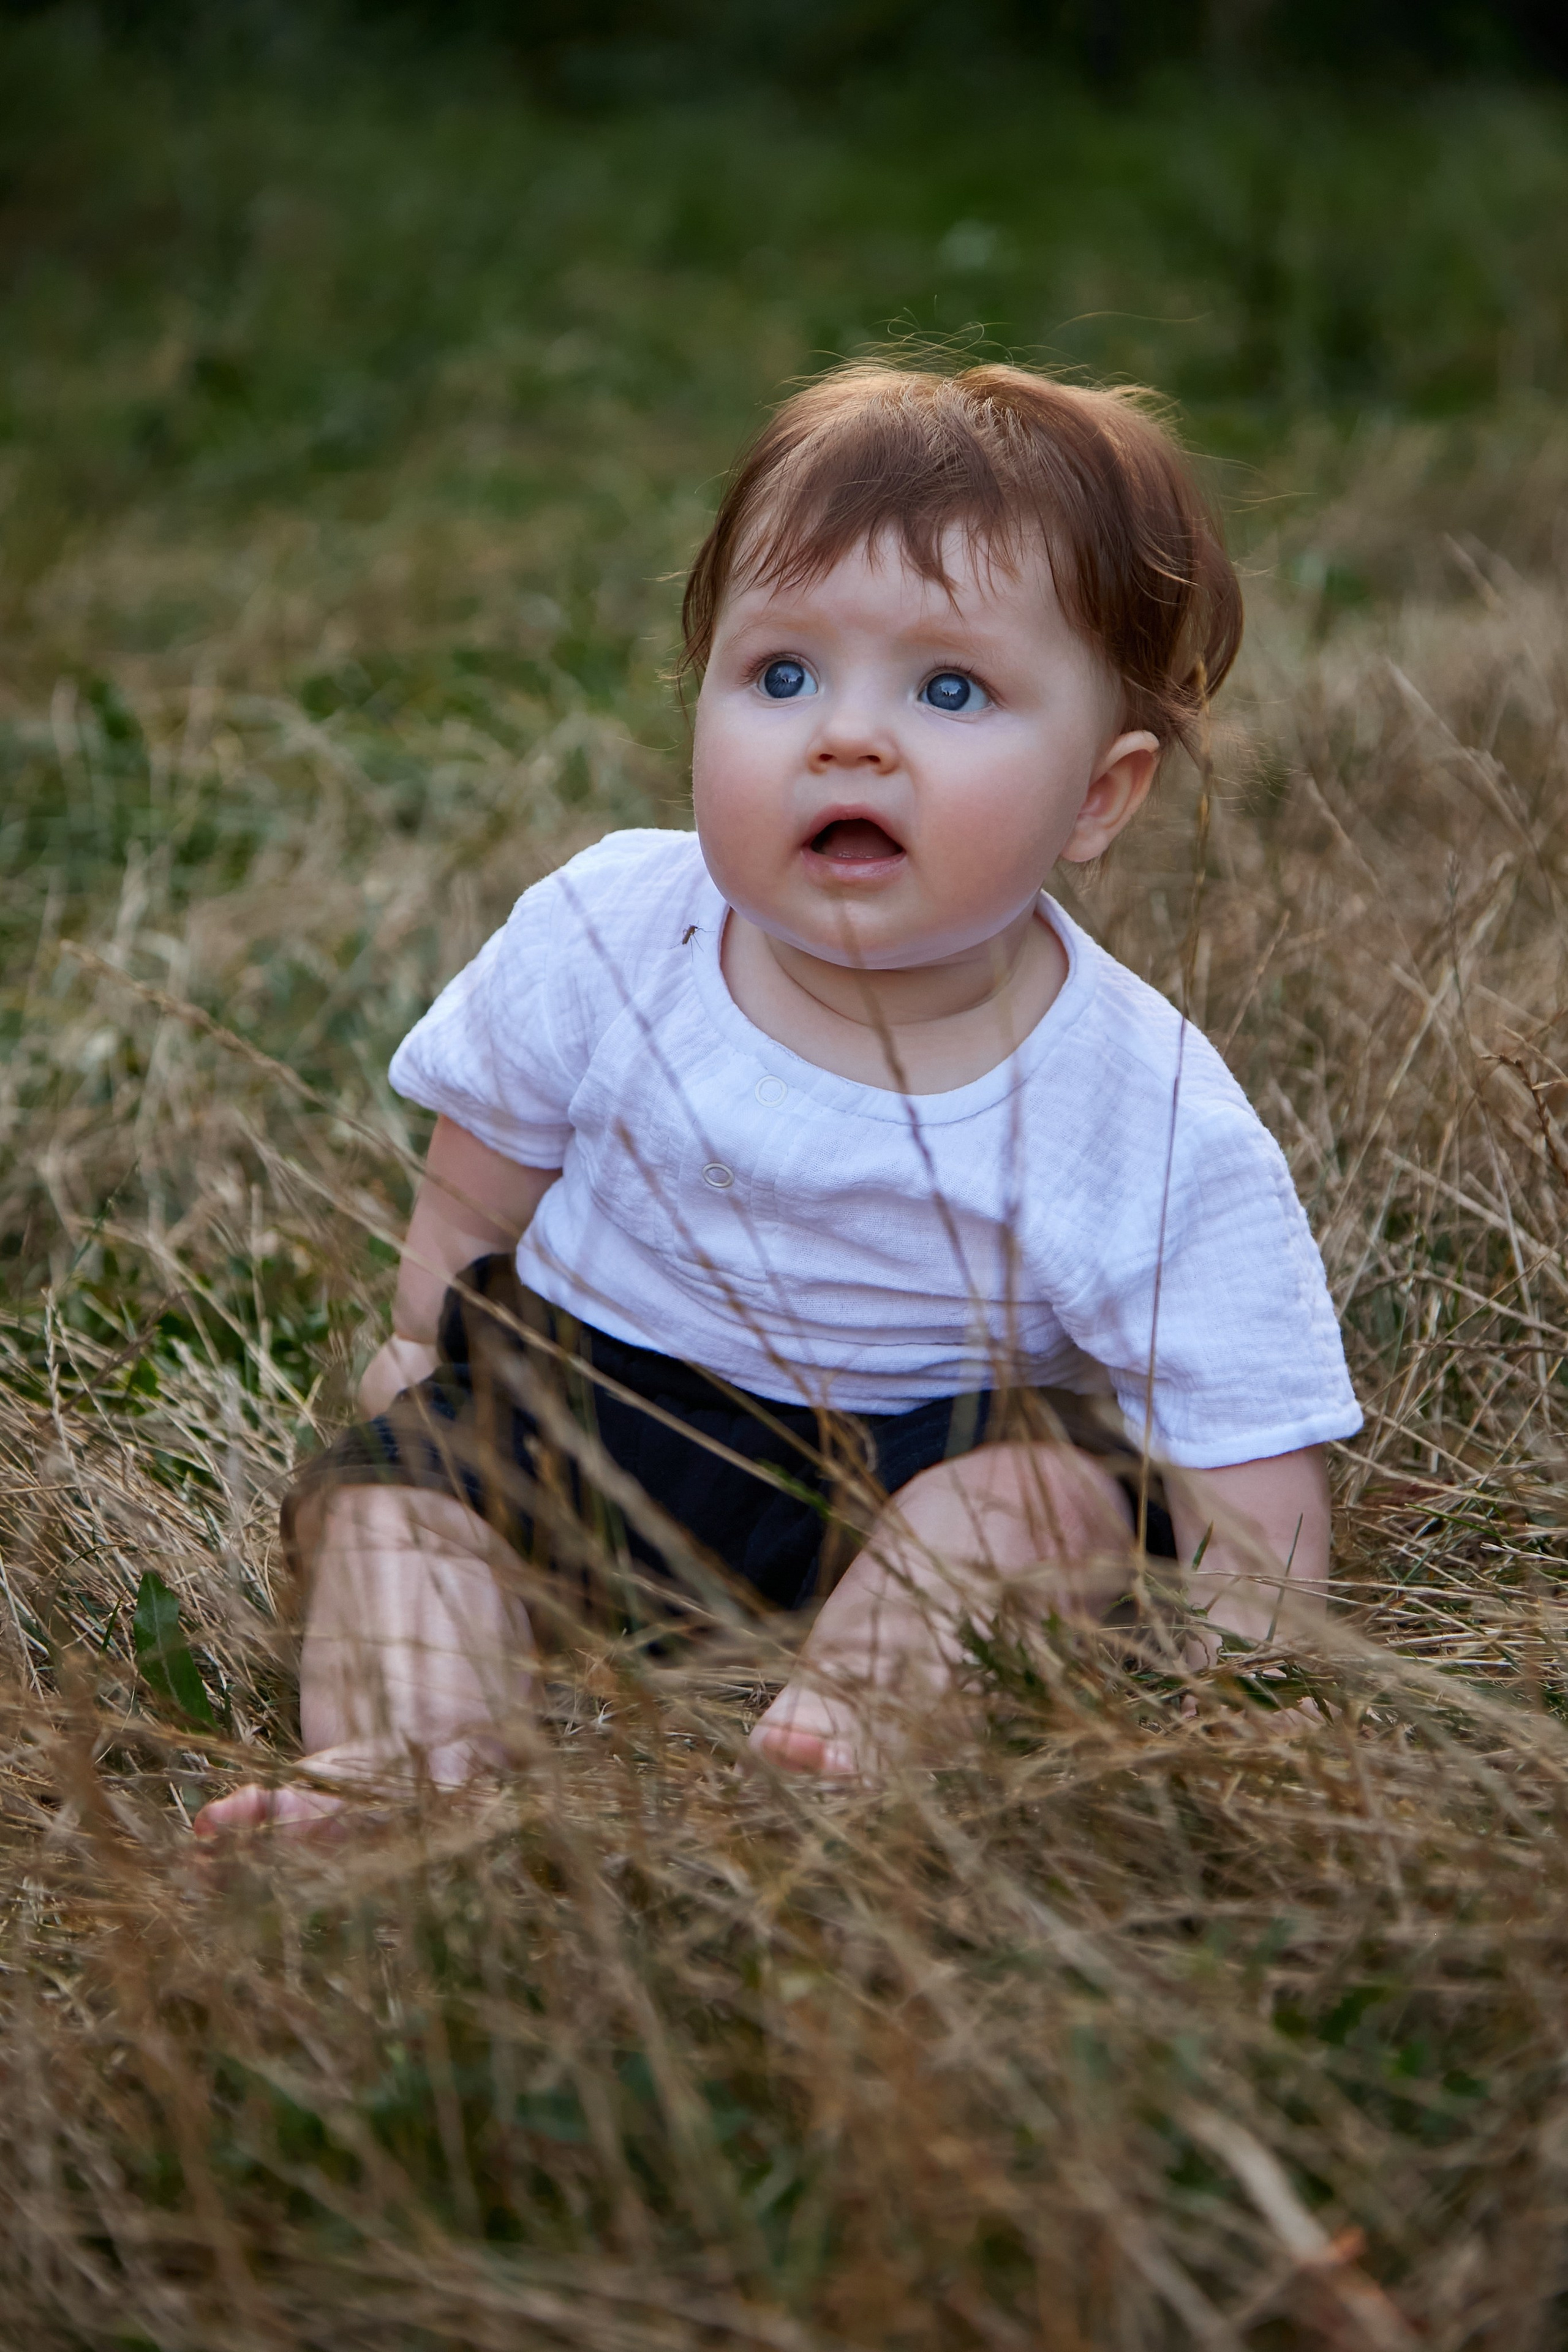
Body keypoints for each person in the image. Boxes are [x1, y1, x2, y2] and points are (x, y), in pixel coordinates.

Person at [195, 362, 1361, 1834]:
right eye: (780, 674)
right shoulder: (613, 925)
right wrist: (422, 1334)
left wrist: (1254, 1680)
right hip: (595, 1398)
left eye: (948, 689)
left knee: (1044, 1510)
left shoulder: (1143, 1103)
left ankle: (854, 1728)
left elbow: (1242, 1429)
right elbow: (488, 1146)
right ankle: (416, 1757)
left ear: (1096, 799)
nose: (845, 735)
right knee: (395, 1505)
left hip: (918, 1454)